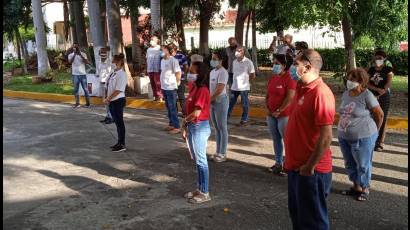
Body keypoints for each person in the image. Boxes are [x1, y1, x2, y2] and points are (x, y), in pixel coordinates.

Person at [284, 49, 335, 230]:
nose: (292, 67)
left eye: (295, 64)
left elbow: (326, 137)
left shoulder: (321, 93)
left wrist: (309, 166)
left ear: (307, 67)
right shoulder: (301, 87)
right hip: (295, 167)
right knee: (298, 218)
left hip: (311, 171)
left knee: (313, 223)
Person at [338, 68, 384, 202]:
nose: (349, 81)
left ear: (361, 81)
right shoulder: (346, 94)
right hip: (344, 136)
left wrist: (375, 131)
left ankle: (365, 188)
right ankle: (356, 186)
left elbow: (379, 114)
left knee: (363, 164)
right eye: (348, 78)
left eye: (352, 79)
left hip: (363, 136)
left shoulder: (367, 95)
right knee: (349, 163)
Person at [182, 61, 212, 203]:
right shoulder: (194, 88)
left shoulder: (203, 90)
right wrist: (186, 126)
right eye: (190, 71)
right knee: (197, 160)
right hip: (193, 126)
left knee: (201, 161)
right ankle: (200, 189)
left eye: (193, 72)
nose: (190, 74)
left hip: (199, 126)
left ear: (200, 74)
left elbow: (196, 112)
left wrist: (184, 121)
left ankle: (205, 192)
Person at [265, 54, 296, 175]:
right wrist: (268, 107)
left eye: (277, 63)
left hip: (284, 115)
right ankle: (278, 163)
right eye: (274, 63)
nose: (274, 65)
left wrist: (279, 110)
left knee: (287, 140)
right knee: (276, 139)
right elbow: (268, 94)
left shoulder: (289, 78)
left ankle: (289, 164)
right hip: (271, 114)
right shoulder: (273, 77)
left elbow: (290, 97)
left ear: (284, 65)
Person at [367, 50, 394, 152]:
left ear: (385, 59)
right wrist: (376, 91)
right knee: (370, 117)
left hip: (384, 97)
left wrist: (379, 94)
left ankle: (379, 142)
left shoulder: (388, 70)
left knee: (383, 117)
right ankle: (370, 139)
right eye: (376, 57)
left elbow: (388, 84)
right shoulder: (371, 69)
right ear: (374, 58)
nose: (378, 60)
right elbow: (366, 83)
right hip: (371, 96)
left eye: (380, 58)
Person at [103, 53, 128, 152]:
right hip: (112, 100)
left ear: (118, 62)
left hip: (118, 100)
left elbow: (118, 90)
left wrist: (108, 98)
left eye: (113, 61)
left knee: (120, 123)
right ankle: (119, 142)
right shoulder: (113, 73)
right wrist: (105, 97)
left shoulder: (122, 74)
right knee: (117, 123)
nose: (112, 63)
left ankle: (122, 144)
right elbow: (107, 85)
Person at [227, 45, 256, 127]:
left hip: (244, 87)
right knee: (231, 103)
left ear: (243, 52)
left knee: (244, 104)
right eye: (237, 50)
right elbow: (234, 73)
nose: (237, 52)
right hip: (234, 86)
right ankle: (226, 118)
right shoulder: (234, 62)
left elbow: (253, 75)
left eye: (240, 50)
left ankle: (244, 119)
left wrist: (246, 80)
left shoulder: (248, 62)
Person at [209, 52, 229, 163]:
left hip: (221, 100)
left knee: (222, 127)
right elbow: (211, 88)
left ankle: (223, 153)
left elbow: (220, 88)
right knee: (216, 128)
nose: (213, 60)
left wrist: (210, 99)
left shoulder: (223, 72)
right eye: (212, 58)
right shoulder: (212, 72)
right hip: (212, 101)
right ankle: (217, 152)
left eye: (215, 59)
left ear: (221, 60)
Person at [160, 44, 182, 134]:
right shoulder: (162, 60)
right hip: (164, 86)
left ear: (167, 50)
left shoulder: (173, 60)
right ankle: (171, 124)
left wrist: (177, 82)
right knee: (168, 107)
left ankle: (177, 126)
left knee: (172, 107)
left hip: (170, 87)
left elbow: (178, 72)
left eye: (163, 49)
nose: (161, 51)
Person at [68, 43, 91, 108]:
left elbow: (86, 62)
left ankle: (88, 104)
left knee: (85, 89)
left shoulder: (83, 54)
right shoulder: (70, 55)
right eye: (74, 47)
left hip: (83, 74)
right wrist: (75, 54)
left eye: (76, 47)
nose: (75, 48)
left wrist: (80, 55)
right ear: (72, 48)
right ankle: (77, 103)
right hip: (75, 74)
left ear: (78, 47)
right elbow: (70, 62)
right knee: (76, 89)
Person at [170, 44, 189, 117]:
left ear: (174, 50)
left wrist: (183, 74)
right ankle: (175, 112)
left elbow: (186, 66)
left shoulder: (181, 56)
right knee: (173, 97)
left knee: (181, 96)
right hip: (171, 80)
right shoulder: (168, 58)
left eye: (170, 49)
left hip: (180, 79)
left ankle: (185, 113)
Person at [98, 47, 114, 124]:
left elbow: (112, 73)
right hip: (102, 83)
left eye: (104, 52)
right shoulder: (99, 62)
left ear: (107, 54)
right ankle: (108, 116)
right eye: (101, 52)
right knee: (105, 101)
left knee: (108, 101)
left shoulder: (110, 62)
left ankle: (111, 117)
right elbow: (98, 73)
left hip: (108, 84)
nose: (102, 54)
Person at [146, 36, 163, 102]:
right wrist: (146, 68)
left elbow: (163, 57)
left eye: (153, 40)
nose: (151, 41)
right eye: (151, 39)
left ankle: (160, 96)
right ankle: (155, 96)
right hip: (150, 69)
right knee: (152, 83)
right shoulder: (148, 50)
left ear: (156, 41)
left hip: (157, 69)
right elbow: (147, 59)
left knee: (158, 83)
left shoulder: (159, 48)